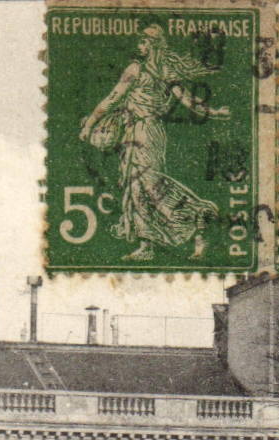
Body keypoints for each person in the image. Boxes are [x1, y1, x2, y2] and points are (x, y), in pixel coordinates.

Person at [79, 25, 230, 262]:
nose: (139, 47)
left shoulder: (138, 70)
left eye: (143, 42)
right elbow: (189, 101)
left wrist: (89, 124)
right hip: (139, 132)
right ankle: (147, 243)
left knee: (148, 186)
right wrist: (214, 112)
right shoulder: (163, 70)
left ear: (153, 45)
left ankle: (199, 213)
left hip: (144, 132)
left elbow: (112, 98)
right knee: (136, 188)